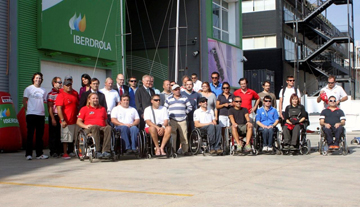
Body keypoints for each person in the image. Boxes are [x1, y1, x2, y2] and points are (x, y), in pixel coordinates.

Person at [77, 93, 112, 158]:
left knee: (109, 128)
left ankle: (106, 151)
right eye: (93, 98)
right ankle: (97, 151)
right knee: (95, 127)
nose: (95, 100)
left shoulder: (102, 109)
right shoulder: (84, 109)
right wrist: (85, 126)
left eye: (97, 98)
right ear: (89, 100)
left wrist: (108, 126)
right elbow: (78, 121)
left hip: (102, 127)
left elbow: (105, 121)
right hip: (90, 128)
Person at [23, 72, 48, 160]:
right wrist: (28, 110)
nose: (38, 80)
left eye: (40, 78)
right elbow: (24, 100)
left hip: (41, 115)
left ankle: (39, 154)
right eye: (36, 78)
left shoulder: (44, 90)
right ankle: (28, 154)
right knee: (30, 135)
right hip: (31, 114)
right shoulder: (28, 89)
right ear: (33, 79)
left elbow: (44, 101)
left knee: (39, 136)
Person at [164, 84, 192, 155]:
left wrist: (185, 113)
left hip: (183, 119)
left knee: (184, 136)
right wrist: (168, 115)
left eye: (178, 89)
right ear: (172, 91)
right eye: (175, 90)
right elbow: (165, 109)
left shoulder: (184, 98)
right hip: (172, 120)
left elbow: (189, 107)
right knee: (173, 136)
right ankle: (173, 151)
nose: (177, 91)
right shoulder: (168, 99)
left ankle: (185, 151)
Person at [56, 78, 79, 159]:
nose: (69, 87)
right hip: (66, 121)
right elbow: (59, 109)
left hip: (74, 120)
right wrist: (62, 120)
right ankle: (65, 153)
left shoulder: (74, 95)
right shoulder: (61, 95)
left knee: (75, 137)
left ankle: (75, 152)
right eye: (67, 85)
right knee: (65, 138)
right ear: (63, 86)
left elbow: (77, 106)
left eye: (70, 85)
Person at [47, 77, 63, 158]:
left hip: (62, 116)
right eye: (59, 82)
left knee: (60, 134)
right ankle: (53, 151)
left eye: (61, 82)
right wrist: (52, 118)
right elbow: (49, 107)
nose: (60, 84)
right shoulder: (51, 94)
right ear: (54, 83)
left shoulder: (62, 93)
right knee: (53, 134)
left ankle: (60, 150)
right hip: (55, 115)